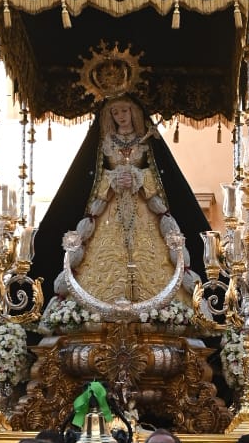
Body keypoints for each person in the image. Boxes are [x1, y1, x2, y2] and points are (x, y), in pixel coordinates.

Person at [48, 96, 204, 308]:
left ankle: (164, 310)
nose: (120, 116)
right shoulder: (106, 142)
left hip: (144, 207)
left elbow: (159, 174)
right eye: (115, 113)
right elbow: (96, 175)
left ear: (133, 112)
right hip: (110, 209)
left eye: (124, 111)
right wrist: (113, 180)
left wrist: (139, 178)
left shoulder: (146, 139)